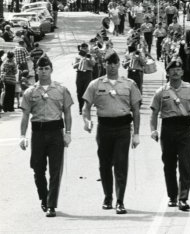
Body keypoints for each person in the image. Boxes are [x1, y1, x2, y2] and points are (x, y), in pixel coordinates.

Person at [82, 52, 142, 214]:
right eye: (109, 63)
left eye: (115, 63)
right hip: (104, 128)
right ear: (104, 65)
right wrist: (86, 121)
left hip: (123, 128)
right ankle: (108, 196)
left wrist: (136, 133)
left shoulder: (129, 84)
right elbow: (86, 107)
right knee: (105, 164)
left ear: (119, 65)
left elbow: (136, 110)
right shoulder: (95, 84)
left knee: (121, 164)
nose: (112, 66)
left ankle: (120, 200)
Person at [19, 57, 73, 217]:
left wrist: (68, 133)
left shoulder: (61, 90)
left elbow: (68, 113)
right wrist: (22, 135)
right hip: (38, 133)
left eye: (46, 68)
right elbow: (25, 115)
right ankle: (44, 197)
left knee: (55, 170)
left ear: (51, 70)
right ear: (36, 70)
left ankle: (51, 205)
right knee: (38, 168)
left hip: (56, 131)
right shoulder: (30, 92)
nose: (43, 71)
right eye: (40, 69)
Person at [149, 59, 190, 211]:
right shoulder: (161, 91)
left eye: (179, 70)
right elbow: (154, 112)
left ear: (182, 72)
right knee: (169, 164)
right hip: (168, 129)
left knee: (185, 164)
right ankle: (172, 195)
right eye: (172, 70)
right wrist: (153, 129)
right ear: (168, 73)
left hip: (185, 129)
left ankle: (183, 198)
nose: (176, 72)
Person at [73, 43, 96, 115]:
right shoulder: (77, 56)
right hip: (80, 74)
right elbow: (74, 66)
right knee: (79, 92)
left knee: (87, 91)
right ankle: (80, 107)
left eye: (86, 48)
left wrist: (88, 59)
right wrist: (81, 61)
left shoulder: (90, 55)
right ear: (81, 49)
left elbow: (93, 64)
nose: (85, 50)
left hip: (88, 74)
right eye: (83, 49)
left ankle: (86, 108)